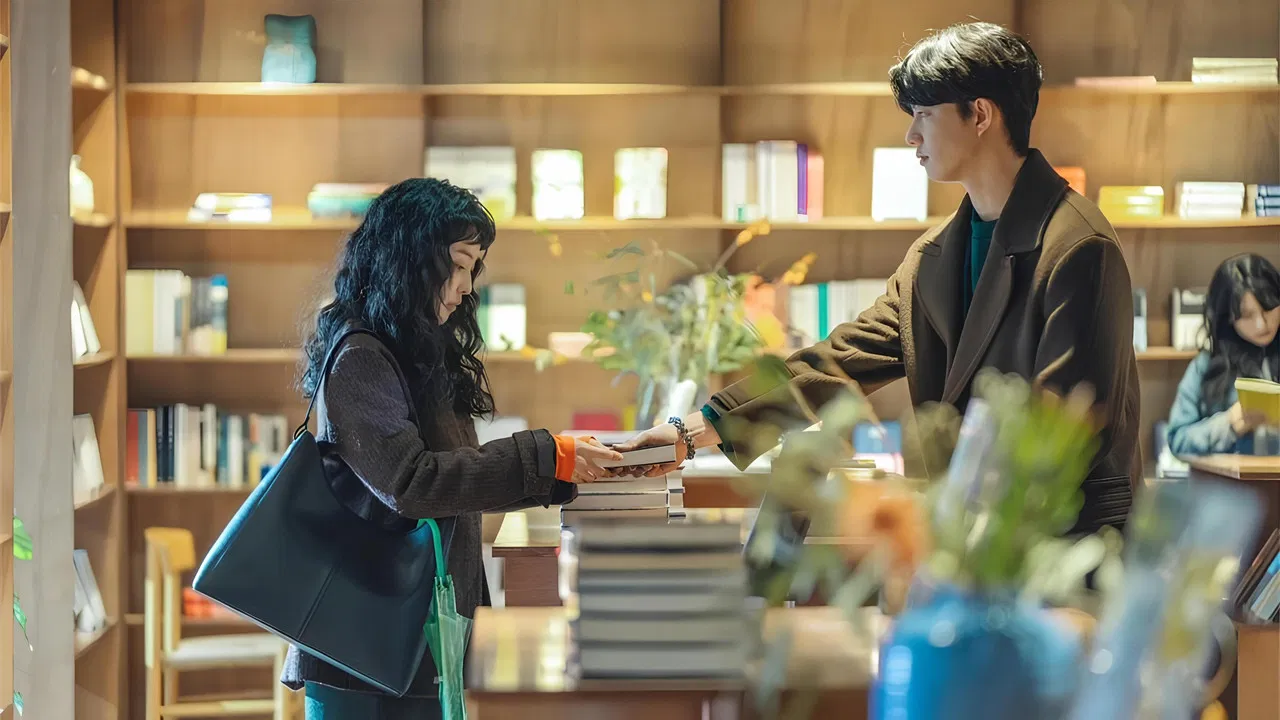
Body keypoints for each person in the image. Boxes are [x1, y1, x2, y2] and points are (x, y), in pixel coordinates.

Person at [615, 21, 1141, 536]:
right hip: (972, 542)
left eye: (925, 113)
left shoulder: (1078, 247)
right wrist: (688, 433)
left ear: (980, 114)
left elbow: (1065, 428)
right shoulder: (933, 255)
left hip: (1060, 548)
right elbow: (837, 364)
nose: (912, 135)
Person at [283, 178, 622, 719]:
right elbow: (413, 483)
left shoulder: (416, 354)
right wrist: (545, 456)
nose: (466, 287)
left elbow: (456, 482)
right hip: (365, 651)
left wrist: (559, 466)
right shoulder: (360, 358)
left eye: (474, 269)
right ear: (410, 260)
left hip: (411, 636)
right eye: (458, 265)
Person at [1166, 253, 1280, 456]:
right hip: (1233, 475)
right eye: (1247, 315)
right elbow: (1178, 439)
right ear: (1227, 318)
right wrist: (1229, 424)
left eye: (1268, 308)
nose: (1261, 324)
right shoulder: (1207, 364)